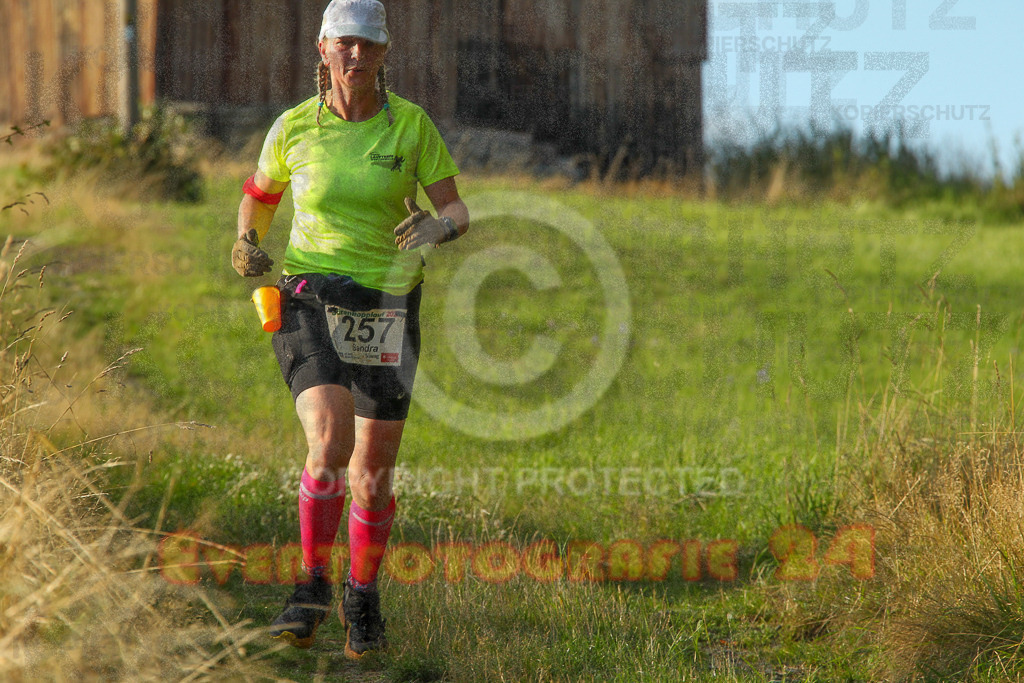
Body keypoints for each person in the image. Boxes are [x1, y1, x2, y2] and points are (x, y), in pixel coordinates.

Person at [230, 0, 468, 659]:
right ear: (323, 48)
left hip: (390, 303)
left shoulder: (410, 127)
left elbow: (456, 208)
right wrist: (246, 238)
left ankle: (361, 595)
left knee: (373, 469)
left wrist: (435, 225)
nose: (356, 56)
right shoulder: (295, 128)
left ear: (385, 54)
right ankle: (310, 585)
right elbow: (260, 191)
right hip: (309, 293)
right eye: (345, 44)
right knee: (330, 437)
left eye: (369, 45)